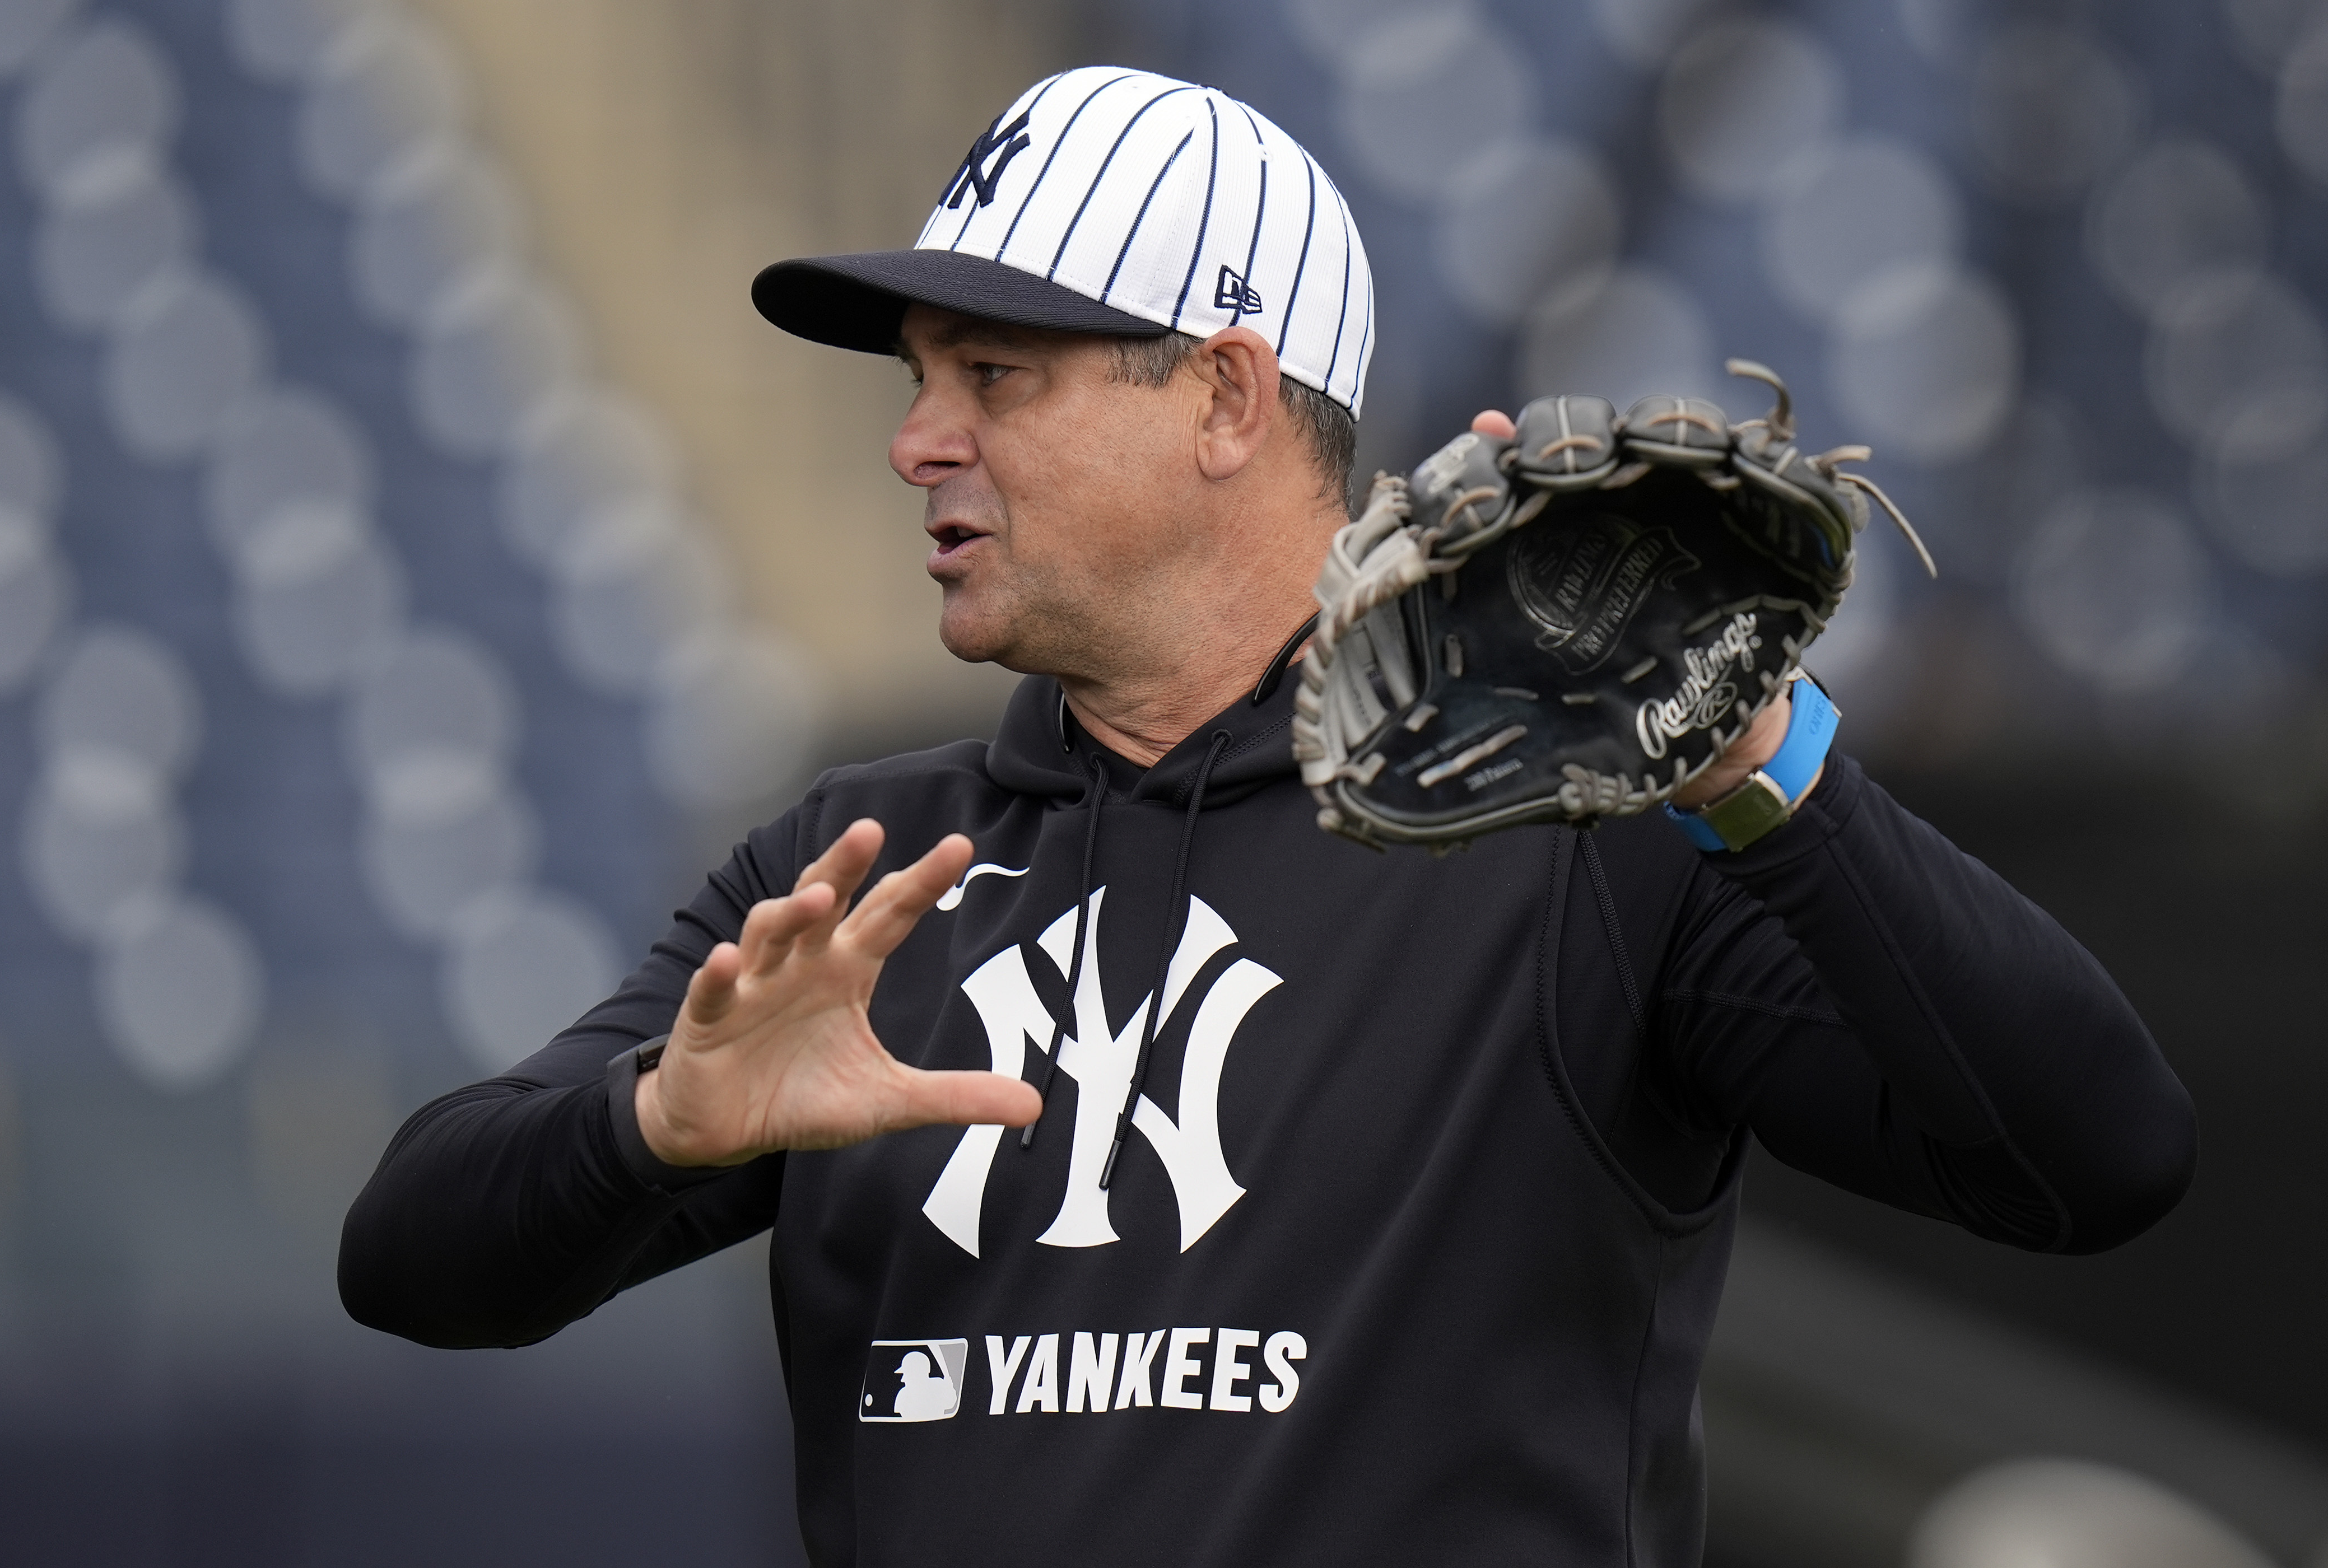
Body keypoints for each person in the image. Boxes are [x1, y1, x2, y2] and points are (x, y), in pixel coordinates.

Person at [340, 67, 2195, 1567]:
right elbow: (412, 1259)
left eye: (996, 376)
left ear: (1226, 396)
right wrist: (653, 1128)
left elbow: (2095, 1154)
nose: (917, 440)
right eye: (919, 382)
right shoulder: (864, 869)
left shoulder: (1582, 832)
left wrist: (1758, 763)